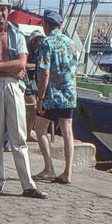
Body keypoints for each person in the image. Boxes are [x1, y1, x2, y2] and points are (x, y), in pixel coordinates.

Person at [0, 0, 47, 199]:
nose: (0, 13)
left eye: (3, 9)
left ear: (9, 11)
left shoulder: (16, 35)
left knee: (19, 137)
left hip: (14, 88)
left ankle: (27, 184)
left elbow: (21, 64)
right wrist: (8, 68)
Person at [32, 10, 78, 185]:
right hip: (69, 93)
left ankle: (49, 168)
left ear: (45, 24)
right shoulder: (71, 43)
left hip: (52, 95)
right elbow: (75, 69)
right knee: (67, 132)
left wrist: (41, 98)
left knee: (40, 128)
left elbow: (44, 71)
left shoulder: (47, 43)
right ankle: (68, 172)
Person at [24, 30, 45, 141]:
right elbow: (23, 64)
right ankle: (24, 133)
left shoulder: (40, 52)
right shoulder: (26, 50)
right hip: (24, 81)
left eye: (41, 41)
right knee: (32, 105)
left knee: (34, 108)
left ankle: (27, 133)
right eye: (38, 41)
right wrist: (35, 65)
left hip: (34, 83)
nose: (40, 43)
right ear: (33, 41)